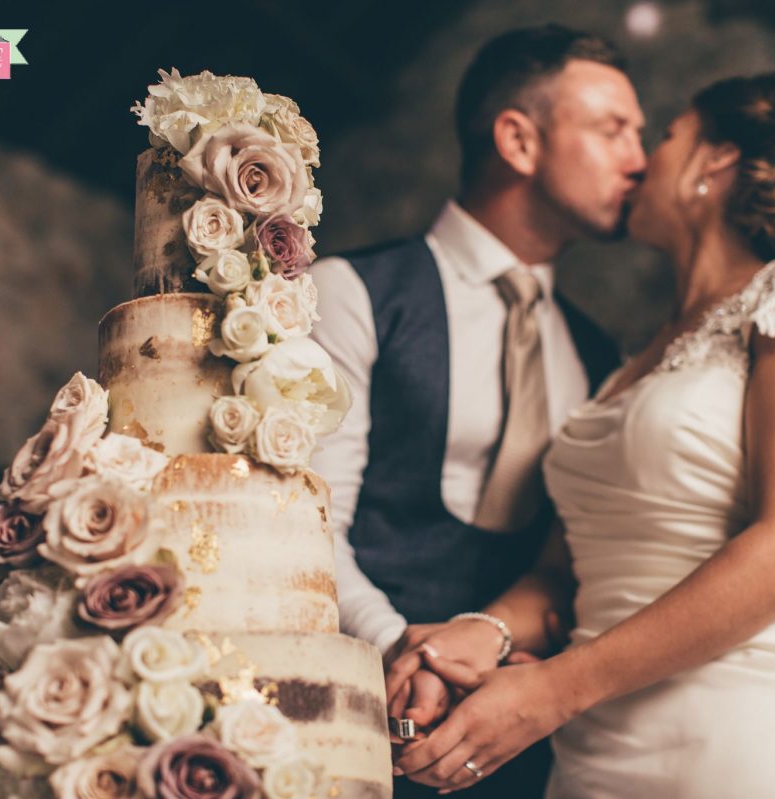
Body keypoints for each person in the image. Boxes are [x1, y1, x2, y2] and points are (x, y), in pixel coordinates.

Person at [387, 71, 775, 797]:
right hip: (600, 742)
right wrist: (487, 628)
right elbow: (571, 565)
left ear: (716, 161)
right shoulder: (641, 349)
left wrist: (552, 692)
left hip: (753, 723)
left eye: (664, 135)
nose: (638, 159)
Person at [307, 24, 645, 798]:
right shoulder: (354, 292)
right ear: (519, 141)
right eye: (612, 129)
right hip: (354, 716)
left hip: (520, 741)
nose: (640, 158)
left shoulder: (603, 355)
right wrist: (403, 651)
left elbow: (577, 557)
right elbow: (309, 525)